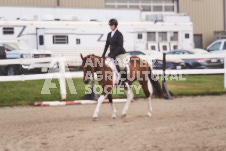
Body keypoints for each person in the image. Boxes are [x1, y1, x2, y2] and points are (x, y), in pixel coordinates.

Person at [102, 18, 129, 90]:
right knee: (106, 65)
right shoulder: (109, 34)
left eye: (112, 25)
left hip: (120, 54)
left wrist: (113, 55)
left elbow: (120, 46)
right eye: (110, 25)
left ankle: (125, 82)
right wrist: (103, 54)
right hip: (112, 54)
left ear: (115, 25)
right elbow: (107, 45)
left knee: (121, 66)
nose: (111, 27)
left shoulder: (119, 34)